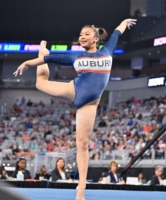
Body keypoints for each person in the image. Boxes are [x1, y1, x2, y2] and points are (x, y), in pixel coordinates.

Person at [13, 18, 136, 200]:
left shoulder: (107, 51)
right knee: (40, 82)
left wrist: (125, 22)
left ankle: (81, 188)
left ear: (96, 39)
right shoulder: (75, 56)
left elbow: (117, 32)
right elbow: (49, 58)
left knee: (83, 144)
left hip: (90, 103)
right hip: (74, 91)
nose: (82, 37)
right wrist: (27, 63)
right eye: (80, 35)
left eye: (86, 34)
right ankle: (42, 47)